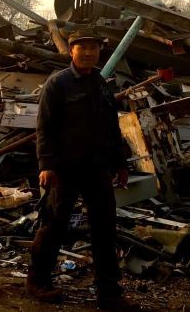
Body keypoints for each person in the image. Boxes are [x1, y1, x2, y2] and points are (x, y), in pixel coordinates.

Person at [26, 27, 140, 312]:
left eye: (94, 48)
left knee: (104, 230)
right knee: (54, 225)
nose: (89, 52)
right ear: (72, 51)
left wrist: (120, 164)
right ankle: (38, 281)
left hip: (98, 169)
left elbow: (112, 128)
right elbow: (44, 129)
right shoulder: (58, 84)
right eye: (83, 48)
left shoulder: (101, 83)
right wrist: (47, 166)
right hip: (65, 170)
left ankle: (108, 293)